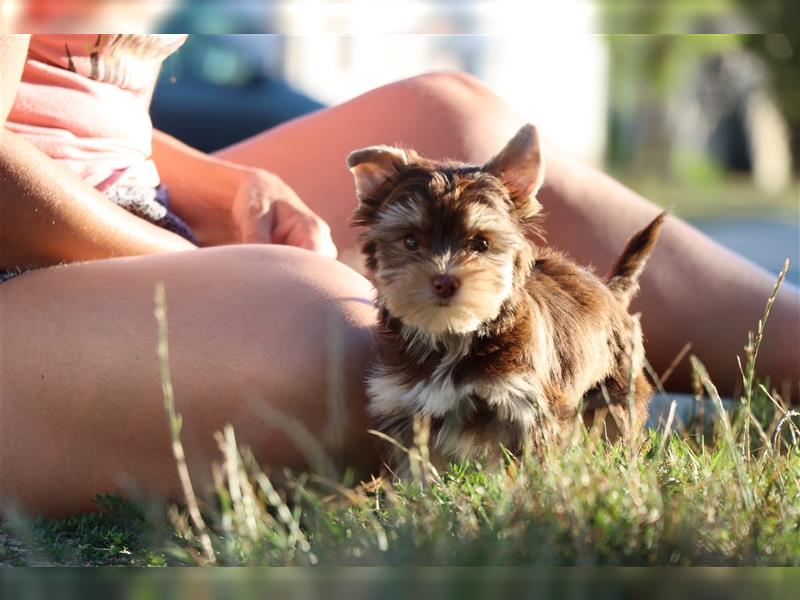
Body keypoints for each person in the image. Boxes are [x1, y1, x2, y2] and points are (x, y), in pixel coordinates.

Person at [1, 35, 797, 517]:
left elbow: (66, 104)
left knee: (459, 128)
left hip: (120, 192)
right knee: (353, 354)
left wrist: (228, 188)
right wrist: (188, 265)